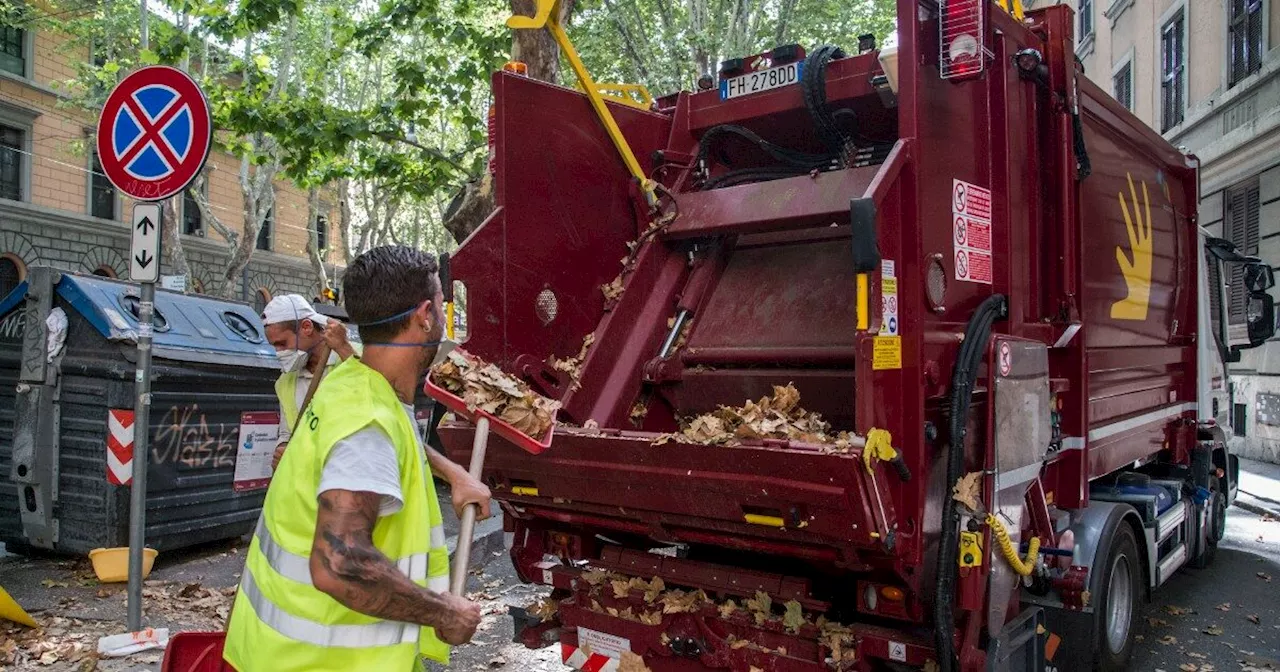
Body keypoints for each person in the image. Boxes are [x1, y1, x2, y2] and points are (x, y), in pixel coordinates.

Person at [224, 246, 492, 671]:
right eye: (441, 304)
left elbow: (386, 440)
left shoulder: (352, 379)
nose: (442, 315)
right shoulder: (368, 418)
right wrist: (446, 612)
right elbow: (339, 564)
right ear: (425, 314)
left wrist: (452, 471)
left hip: (280, 655)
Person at [261, 295, 358, 470]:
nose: (279, 352)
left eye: (282, 343)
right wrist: (281, 448)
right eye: (274, 346)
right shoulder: (285, 381)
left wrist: (344, 348)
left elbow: (379, 392)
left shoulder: (354, 358)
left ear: (306, 327)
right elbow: (287, 431)